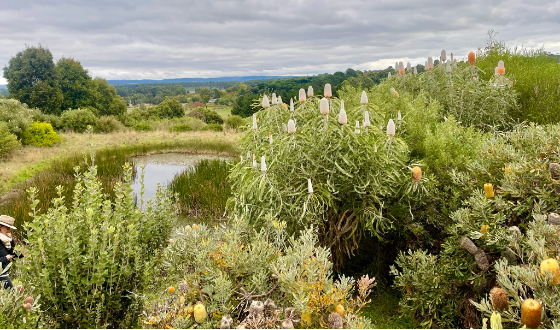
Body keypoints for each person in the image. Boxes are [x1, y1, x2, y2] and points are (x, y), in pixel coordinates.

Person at [0, 215, 20, 290]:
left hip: (4, 271)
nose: (9, 231)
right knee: (12, 292)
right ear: (0, 227)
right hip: (1, 273)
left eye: (10, 228)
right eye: (7, 228)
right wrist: (5, 258)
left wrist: (11, 241)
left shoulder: (5, 241)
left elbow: (16, 255)